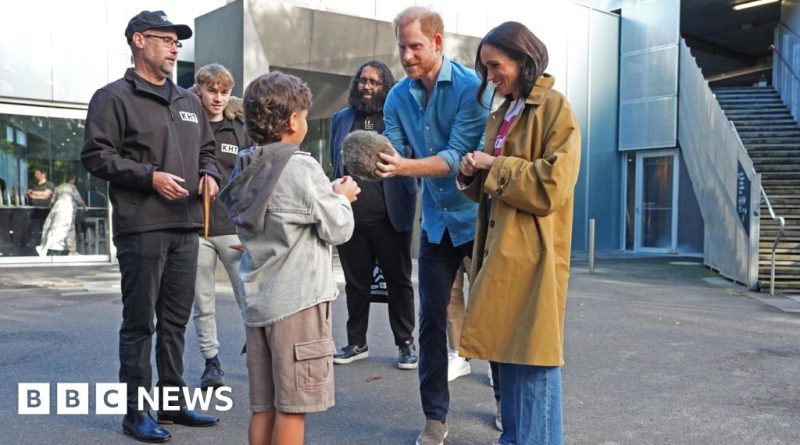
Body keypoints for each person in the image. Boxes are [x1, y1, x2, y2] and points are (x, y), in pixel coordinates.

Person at [81, 10, 221, 443]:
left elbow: (209, 150)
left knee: (176, 321)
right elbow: (96, 156)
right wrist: (150, 176)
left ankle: (174, 404)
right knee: (141, 323)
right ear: (139, 41)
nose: (175, 46)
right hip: (142, 226)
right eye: (166, 39)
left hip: (186, 225)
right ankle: (135, 413)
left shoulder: (188, 100)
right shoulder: (113, 97)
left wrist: (210, 174)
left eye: (177, 41)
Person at [457, 21, 581, 445]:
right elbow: (495, 190)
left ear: (523, 59)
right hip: (501, 255)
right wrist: (470, 174)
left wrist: (494, 167)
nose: (490, 76)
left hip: (532, 257)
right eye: (486, 68)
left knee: (533, 363)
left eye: (495, 65)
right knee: (509, 358)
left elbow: (552, 187)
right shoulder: (506, 112)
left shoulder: (555, 108)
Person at [219, 71, 359, 445]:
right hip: (297, 305)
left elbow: (281, 212)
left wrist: (325, 197)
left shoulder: (246, 163)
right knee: (292, 409)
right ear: (295, 120)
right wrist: (342, 198)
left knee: (263, 407)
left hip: (259, 303)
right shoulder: (301, 167)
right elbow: (338, 229)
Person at [375, 6, 489, 445]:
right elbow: (391, 149)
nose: (405, 56)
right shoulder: (397, 97)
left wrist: (401, 167)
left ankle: (502, 399)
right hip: (436, 225)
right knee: (430, 323)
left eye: (415, 46)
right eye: (401, 46)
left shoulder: (470, 90)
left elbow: (454, 156)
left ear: (438, 43)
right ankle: (435, 417)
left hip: (475, 220)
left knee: (488, 317)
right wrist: (376, 163)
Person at [329, 60, 419, 370]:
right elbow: (335, 161)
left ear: (386, 86)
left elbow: (414, 159)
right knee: (355, 283)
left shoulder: (398, 118)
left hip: (391, 216)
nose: (366, 86)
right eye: (362, 80)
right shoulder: (341, 119)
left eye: (374, 82)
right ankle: (356, 342)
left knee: (399, 282)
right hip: (351, 217)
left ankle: (406, 344)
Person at [190, 63, 253, 389]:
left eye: (224, 92)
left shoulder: (238, 128)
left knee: (249, 294)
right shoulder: (186, 124)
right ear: (198, 89)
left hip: (232, 226)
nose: (218, 98)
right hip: (195, 226)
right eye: (212, 90)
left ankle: (257, 350)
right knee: (202, 301)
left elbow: (251, 177)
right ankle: (211, 362)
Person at [37, 173, 86, 256]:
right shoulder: (72, 187)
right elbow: (79, 199)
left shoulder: (58, 187)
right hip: (65, 210)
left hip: (56, 208)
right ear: (73, 180)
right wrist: (85, 206)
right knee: (60, 230)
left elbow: (52, 201)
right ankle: (44, 248)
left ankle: (72, 250)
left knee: (67, 230)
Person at [26, 167, 55, 248]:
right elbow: (29, 195)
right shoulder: (33, 185)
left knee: (46, 229)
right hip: (35, 211)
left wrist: (34, 193)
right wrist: (41, 194)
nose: (35, 175)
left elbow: (46, 195)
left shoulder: (49, 184)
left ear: (43, 174)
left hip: (46, 211)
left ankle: (46, 245)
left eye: (37, 173)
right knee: (35, 230)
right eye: (35, 174)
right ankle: (37, 244)